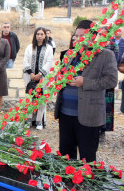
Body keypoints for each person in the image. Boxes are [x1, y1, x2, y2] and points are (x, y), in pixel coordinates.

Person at [55, 20, 118, 162]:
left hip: (88, 115)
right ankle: (66, 182)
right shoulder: (70, 54)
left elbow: (111, 81)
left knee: (87, 158)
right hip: (65, 114)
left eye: (82, 36)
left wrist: (85, 82)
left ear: (94, 36)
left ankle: (83, 183)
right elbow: (59, 75)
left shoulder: (105, 55)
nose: (78, 39)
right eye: (76, 36)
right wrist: (60, 78)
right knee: (65, 157)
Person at [23, 27, 53, 130]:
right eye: (38, 34)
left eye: (41, 34)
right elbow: (25, 60)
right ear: (35, 35)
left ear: (45, 36)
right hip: (30, 77)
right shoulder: (29, 47)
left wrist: (40, 74)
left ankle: (39, 121)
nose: (39, 36)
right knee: (30, 98)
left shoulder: (49, 48)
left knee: (41, 99)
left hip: (42, 77)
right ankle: (29, 120)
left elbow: (49, 62)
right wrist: (31, 73)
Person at [98, 27, 118, 137]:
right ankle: (97, 127)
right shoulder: (96, 46)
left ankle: (104, 129)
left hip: (108, 79)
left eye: (103, 34)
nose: (101, 36)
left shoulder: (112, 45)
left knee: (107, 106)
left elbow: (116, 60)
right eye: (100, 34)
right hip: (97, 79)